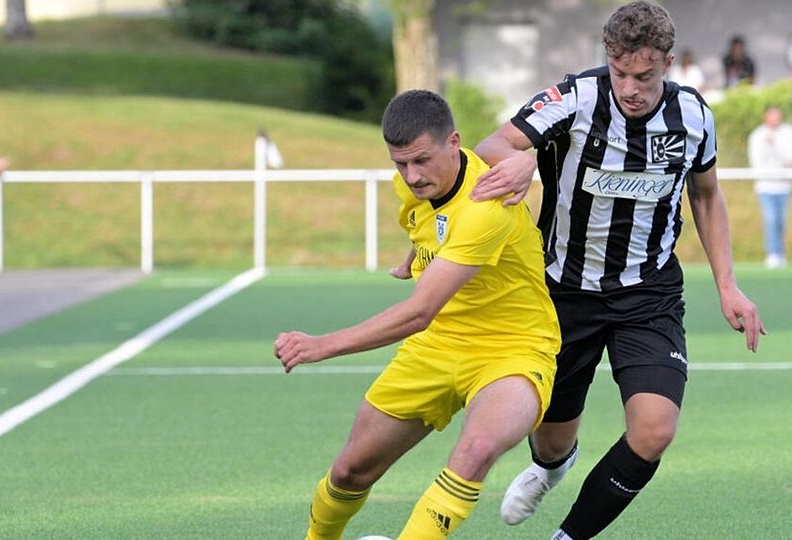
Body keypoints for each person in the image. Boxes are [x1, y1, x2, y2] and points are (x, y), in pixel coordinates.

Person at [470, 2, 766, 539]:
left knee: (653, 431)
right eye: (621, 73)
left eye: (644, 75)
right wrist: (519, 160)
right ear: (608, 60)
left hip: (647, 294)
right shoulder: (576, 97)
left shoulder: (694, 115)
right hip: (563, 290)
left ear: (668, 64)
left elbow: (706, 194)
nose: (630, 87)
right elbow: (494, 144)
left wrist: (728, 285)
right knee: (552, 439)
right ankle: (551, 466)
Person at [274, 89, 561, 540]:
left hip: (514, 349)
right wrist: (419, 256)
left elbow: (419, 312)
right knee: (350, 471)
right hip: (438, 346)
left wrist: (321, 345)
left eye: (422, 160)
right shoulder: (413, 183)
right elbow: (427, 221)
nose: (412, 175)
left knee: (477, 449)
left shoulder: (490, 203)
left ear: (454, 142)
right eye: (400, 164)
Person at [747, 105, 792, 268]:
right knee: (770, 219)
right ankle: (772, 254)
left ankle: (780, 253)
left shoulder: (788, 132)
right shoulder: (757, 135)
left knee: (781, 221)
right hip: (765, 185)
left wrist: (775, 145)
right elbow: (755, 161)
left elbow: (790, 158)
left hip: (783, 185)